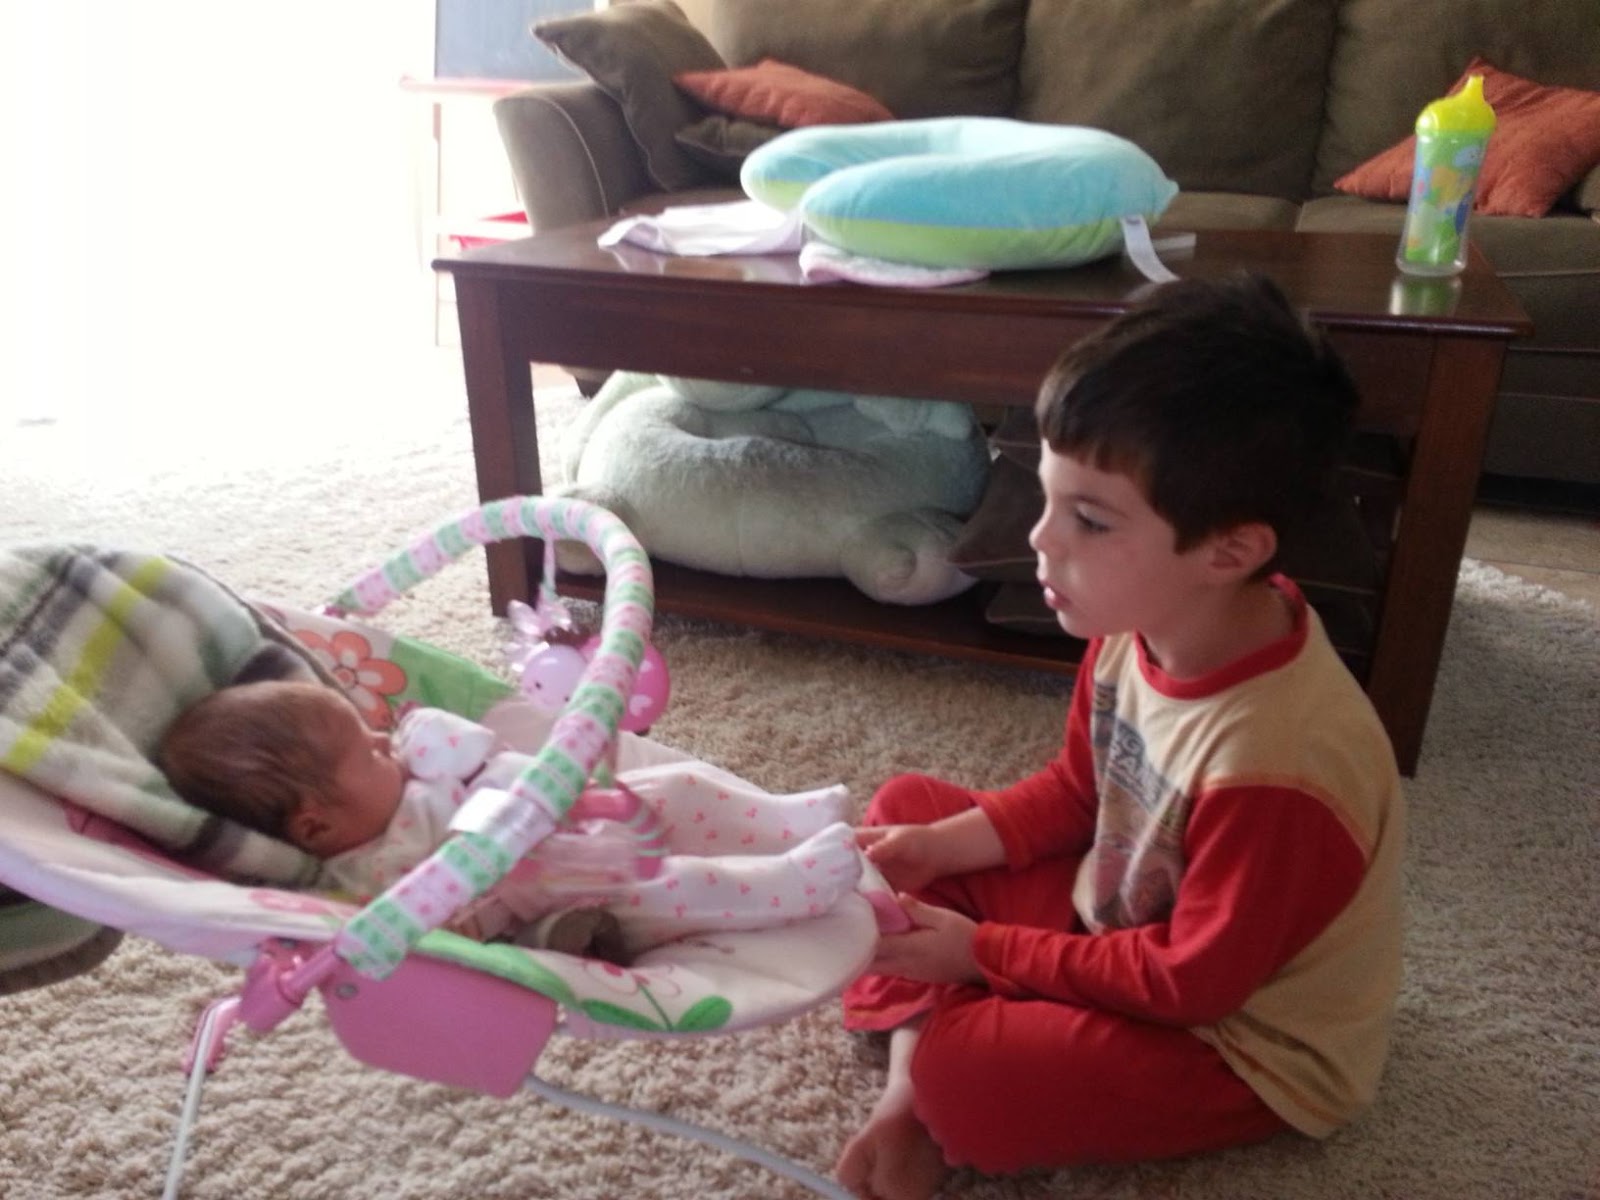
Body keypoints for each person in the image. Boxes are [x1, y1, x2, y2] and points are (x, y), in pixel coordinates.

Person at [835, 274, 1405, 1200]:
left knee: (965, 1076)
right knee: (910, 819)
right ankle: (914, 1082)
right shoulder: (1138, 620)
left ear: (1230, 551)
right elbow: (1077, 794)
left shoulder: (1278, 765)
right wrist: (941, 849)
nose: (1041, 540)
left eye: (1090, 520)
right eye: (1048, 498)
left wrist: (982, 954)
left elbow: (1192, 985)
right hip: (1123, 913)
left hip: (1230, 1037)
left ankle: (927, 1066)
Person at [157, 679, 861, 960]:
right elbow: (446, 929)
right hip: (570, 887)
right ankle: (788, 886)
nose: (382, 740)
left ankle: (783, 818)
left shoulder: (407, 779)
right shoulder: (373, 876)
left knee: (677, 787)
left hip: (581, 811)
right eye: (365, 751)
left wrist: (445, 744)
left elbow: (488, 754)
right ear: (315, 827)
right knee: (677, 884)